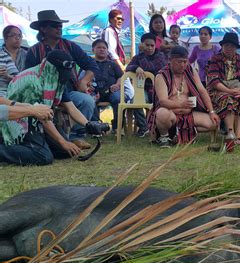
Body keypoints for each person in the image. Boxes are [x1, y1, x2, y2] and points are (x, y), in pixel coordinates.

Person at [0, 50, 105, 166]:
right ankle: (5, 150)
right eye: (61, 72)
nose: (64, 75)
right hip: (19, 121)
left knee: (66, 152)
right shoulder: (32, 82)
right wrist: (63, 142)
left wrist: (88, 124)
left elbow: (70, 107)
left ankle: (39, 144)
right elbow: (41, 116)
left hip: (39, 118)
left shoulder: (57, 79)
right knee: (43, 157)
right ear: (52, 68)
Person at [25, 10, 100, 150]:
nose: (59, 28)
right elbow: (28, 77)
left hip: (68, 91)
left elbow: (91, 65)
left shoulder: (70, 46)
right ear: (43, 28)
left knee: (87, 100)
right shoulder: (34, 51)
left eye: (60, 25)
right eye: (54, 25)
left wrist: (84, 81)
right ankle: (53, 138)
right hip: (40, 94)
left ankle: (76, 135)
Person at [147, 46, 219, 147]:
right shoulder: (161, 76)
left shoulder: (191, 71)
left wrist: (211, 112)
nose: (182, 65)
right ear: (170, 60)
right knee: (162, 113)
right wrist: (180, 103)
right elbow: (163, 101)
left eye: (185, 62)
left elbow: (202, 91)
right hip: (170, 114)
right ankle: (164, 136)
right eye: (179, 62)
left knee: (213, 123)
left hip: (188, 115)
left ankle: (179, 132)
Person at [206, 32, 240, 145]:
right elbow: (214, 81)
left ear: (236, 48)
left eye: (232, 46)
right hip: (218, 90)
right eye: (226, 45)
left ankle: (239, 136)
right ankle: (230, 133)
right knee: (227, 99)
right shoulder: (215, 58)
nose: (229, 48)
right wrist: (229, 91)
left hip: (236, 88)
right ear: (222, 46)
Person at [91, 39, 142, 135]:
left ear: (107, 50)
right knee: (90, 99)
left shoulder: (113, 64)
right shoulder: (89, 63)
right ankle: (96, 127)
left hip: (111, 91)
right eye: (99, 47)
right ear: (93, 49)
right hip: (94, 90)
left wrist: (117, 84)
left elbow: (121, 77)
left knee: (118, 98)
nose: (102, 50)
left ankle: (117, 127)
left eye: (104, 48)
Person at [126, 33, 168, 104]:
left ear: (155, 46)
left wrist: (142, 54)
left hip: (159, 89)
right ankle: (142, 116)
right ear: (142, 45)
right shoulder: (137, 57)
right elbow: (128, 68)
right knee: (136, 101)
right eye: (147, 45)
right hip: (142, 88)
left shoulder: (161, 56)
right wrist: (136, 68)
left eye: (152, 45)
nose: (150, 48)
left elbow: (149, 67)